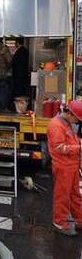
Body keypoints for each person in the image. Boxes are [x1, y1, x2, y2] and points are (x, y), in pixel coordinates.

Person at [47, 100, 82, 236]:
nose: (77, 122)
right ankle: (60, 224)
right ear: (69, 114)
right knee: (62, 196)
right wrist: (79, 148)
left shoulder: (66, 123)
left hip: (71, 165)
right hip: (63, 166)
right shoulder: (56, 125)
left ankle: (79, 220)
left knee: (75, 195)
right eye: (77, 119)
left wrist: (79, 143)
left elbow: (71, 140)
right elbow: (59, 147)